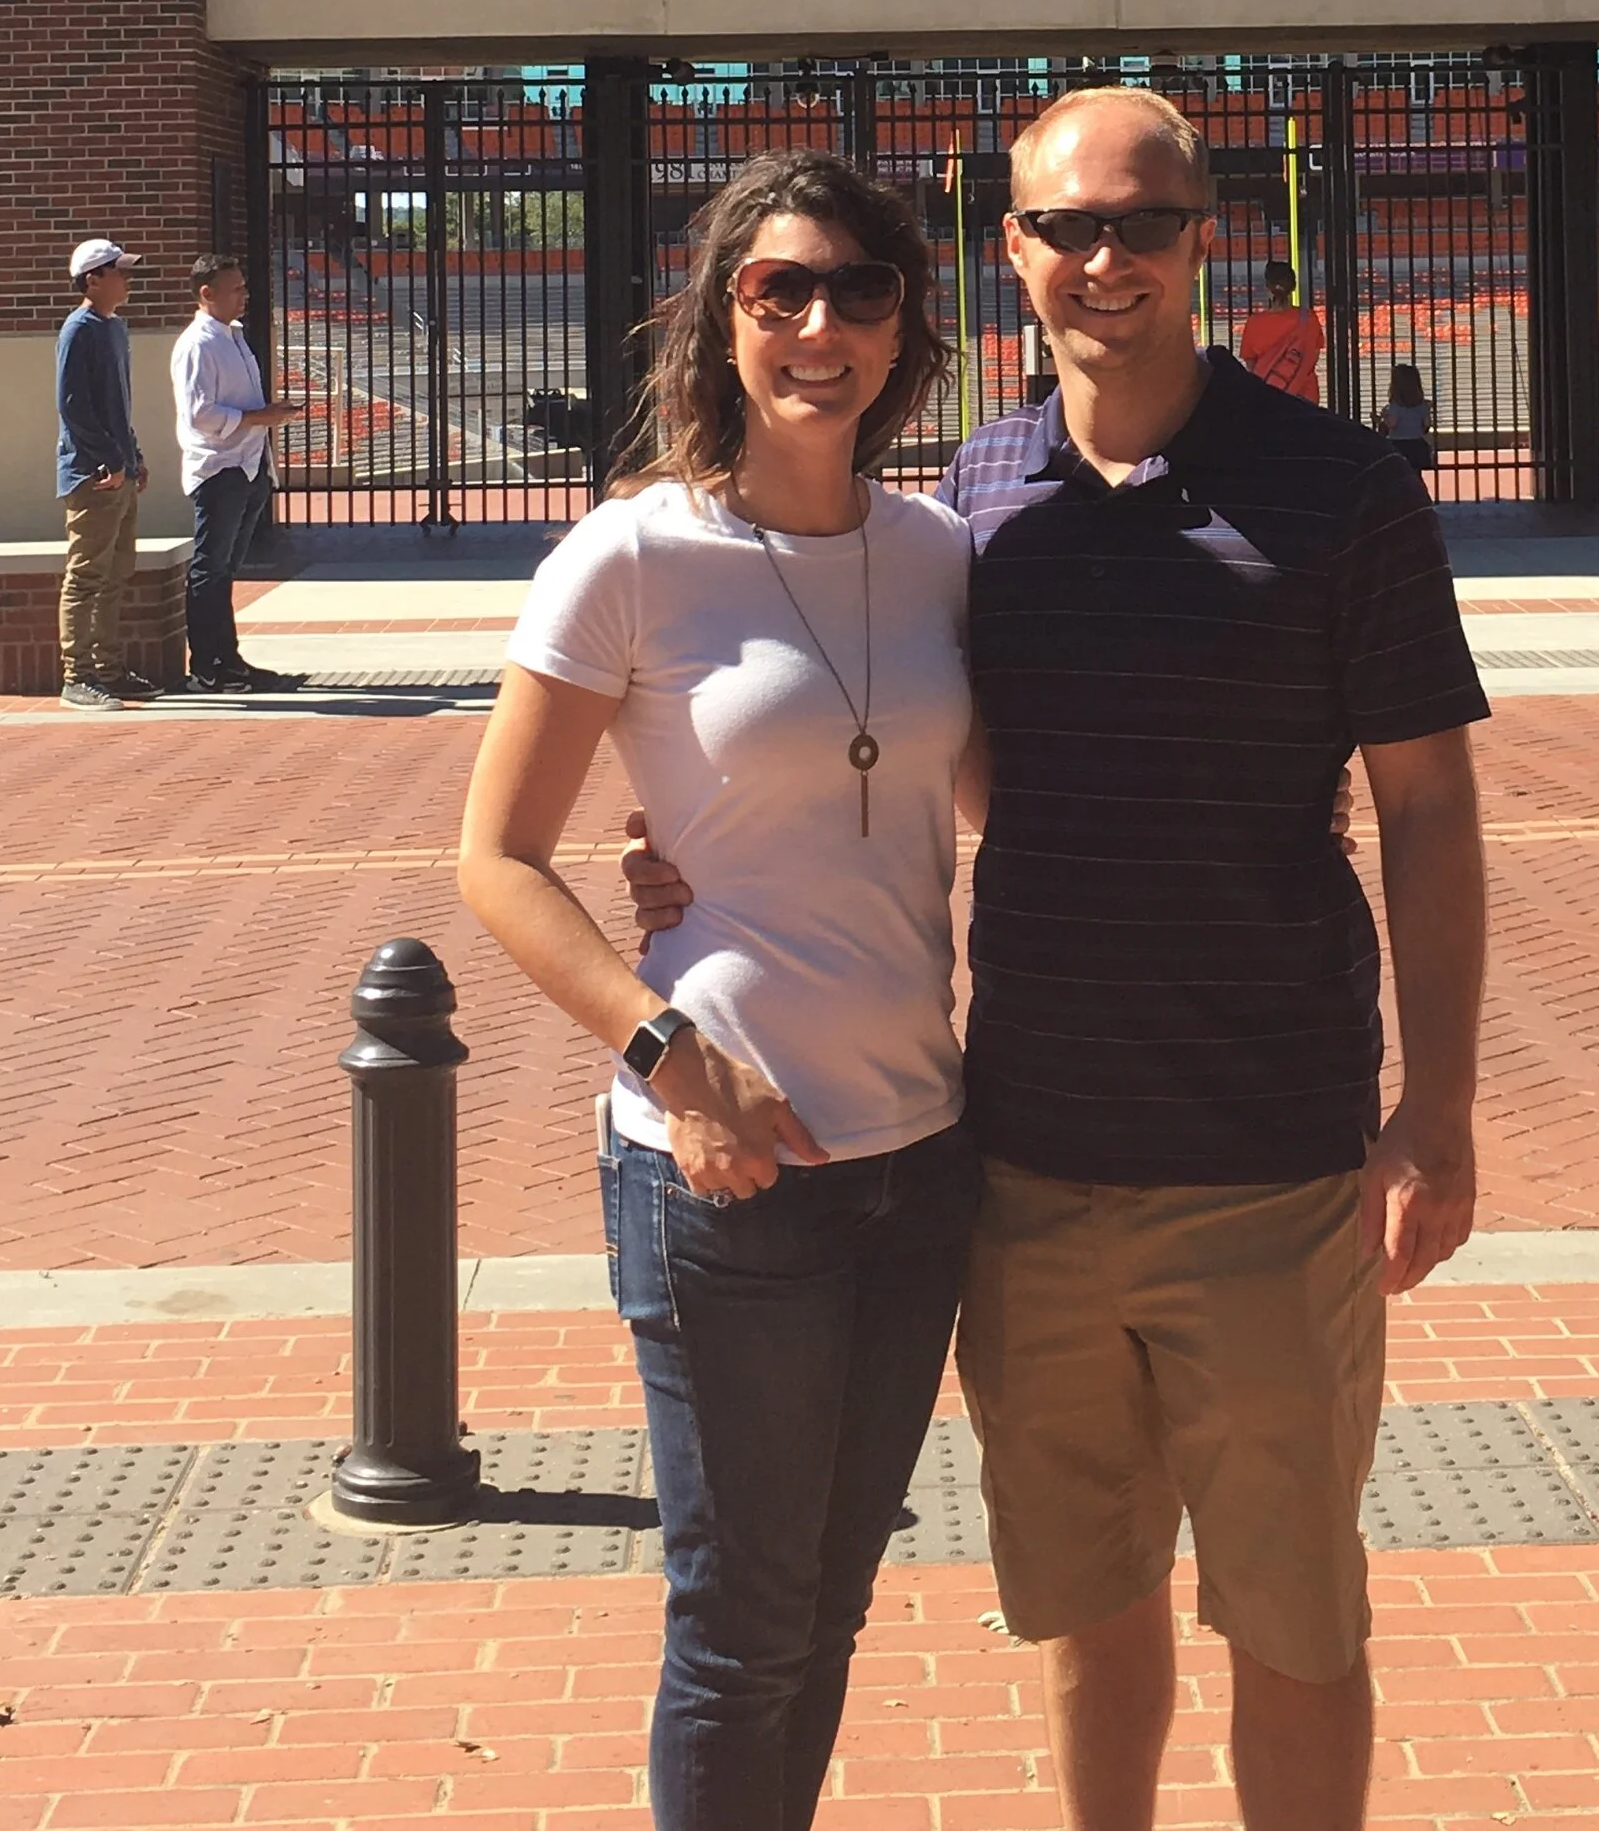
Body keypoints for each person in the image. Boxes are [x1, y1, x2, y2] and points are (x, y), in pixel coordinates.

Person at [627, 89, 1488, 1831]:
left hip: (1271, 1154)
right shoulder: (972, 499)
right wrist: (709, 852)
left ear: (1202, 237)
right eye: (1067, 226)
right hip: (1018, 1160)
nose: (1106, 258)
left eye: (1143, 223)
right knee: (1089, 1605)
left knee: (1296, 1615)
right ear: (1008, 249)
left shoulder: (1344, 486)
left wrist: (1440, 1107)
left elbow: (1432, 810)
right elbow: (897, 745)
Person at [458, 152, 981, 1831]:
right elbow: (497, 857)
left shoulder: (944, 551)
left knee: (826, 1610)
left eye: (861, 290)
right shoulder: (630, 554)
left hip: (920, 1155)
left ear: (909, 322)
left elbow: (989, 811)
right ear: (723, 316)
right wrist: (673, 1054)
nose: (822, 325)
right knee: (741, 1625)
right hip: (722, 1175)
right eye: (781, 291)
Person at [171, 256, 308, 693]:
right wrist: (259, 416)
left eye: (245, 287)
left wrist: (265, 418)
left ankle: (229, 660)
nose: (244, 295)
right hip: (220, 468)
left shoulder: (234, 338)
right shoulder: (198, 344)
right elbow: (200, 414)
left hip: (248, 465)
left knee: (226, 569)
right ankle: (208, 666)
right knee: (211, 568)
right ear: (206, 293)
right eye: (235, 288)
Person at [54, 237, 151, 710]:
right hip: (94, 475)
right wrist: (105, 462)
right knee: (87, 574)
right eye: (120, 271)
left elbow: (118, 404)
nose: (128, 279)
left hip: (119, 468)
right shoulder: (79, 329)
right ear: (93, 278)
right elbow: (74, 407)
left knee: (116, 573)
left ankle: (109, 669)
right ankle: (78, 675)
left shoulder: (115, 329)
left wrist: (133, 455)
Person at [1237, 255, 1325, 402]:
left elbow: (1251, 365)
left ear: (1268, 289)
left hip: (1269, 397)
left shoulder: (1254, 323)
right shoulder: (1308, 318)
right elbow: (1313, 357)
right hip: (1305, 395)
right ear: (1293, 288)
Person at [1377, 360, 1436, 488]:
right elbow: (1426, 424)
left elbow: (1392, 424)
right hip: (1417, 445)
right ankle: (1421, 495)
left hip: (1399, 445)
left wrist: (1382, 418)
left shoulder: (1394, 406)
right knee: (1416, 474)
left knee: (1399, 476)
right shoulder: (1422, 405)